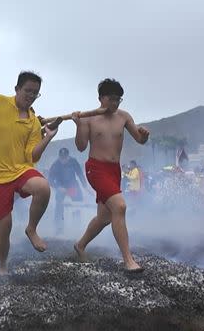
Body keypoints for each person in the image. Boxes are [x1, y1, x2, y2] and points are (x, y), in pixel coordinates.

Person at [0, 71, 58, 275]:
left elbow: (33, 155)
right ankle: (1, 266)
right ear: (17, 89)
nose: (30, 96)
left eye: (35, 93)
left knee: (43, 188)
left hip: (20, 170)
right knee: (4, 226)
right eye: (27, 91)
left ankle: (31, 229)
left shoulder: (34, 121)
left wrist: (48, 137)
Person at [72, 78, 148, 273]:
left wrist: (144, 135)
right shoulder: (89, 118)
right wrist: (78, 124)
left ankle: (80, 245)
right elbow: (81, 147)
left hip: (114, 170)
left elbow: (139, 139)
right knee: (120, 206)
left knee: (105, 217)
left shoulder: (123, 117)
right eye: (111, 99)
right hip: (96, 169)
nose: (115, 104)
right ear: (101, 98)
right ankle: (129, 260)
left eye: (118, 100)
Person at [48, 148, 87, 234]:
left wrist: (85, 186)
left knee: (77, 203)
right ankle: (58, 227)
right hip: (61, 187)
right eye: (62, 158)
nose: (63, 160)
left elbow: (80, 174)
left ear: (68, 156)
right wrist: (58, 187)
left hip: (72, 187)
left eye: (65, 158)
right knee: (59, 205)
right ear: (59, 157)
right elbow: (50, 179)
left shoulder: (73, 161)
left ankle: (76, 226)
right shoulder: (55, 165)